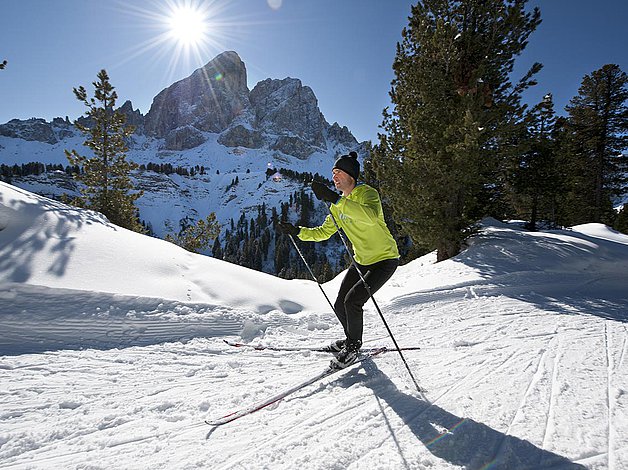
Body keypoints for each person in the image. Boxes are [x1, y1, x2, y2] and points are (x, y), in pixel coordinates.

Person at [277, 151, 400, 369]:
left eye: (338, 172)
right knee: (340, 304)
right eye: (332, 173)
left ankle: (352, 347)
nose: (334, 177)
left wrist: (334, 199)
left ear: (351, 176)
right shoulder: (338, 205)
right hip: (362, 261)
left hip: (385, 259)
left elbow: (369, 218)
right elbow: (323, 232)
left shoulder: (366, 194)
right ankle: (351, 340)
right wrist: (296, 231)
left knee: (353, 301)